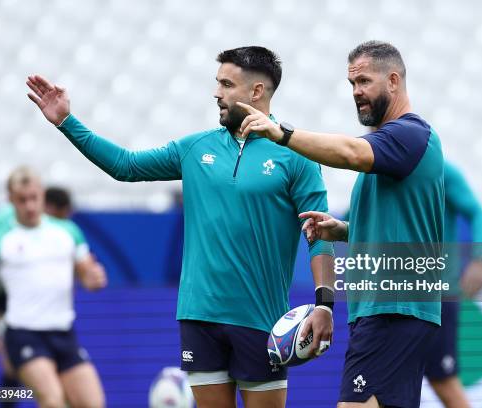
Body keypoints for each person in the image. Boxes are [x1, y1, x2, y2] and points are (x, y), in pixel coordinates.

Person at [26, 46, 335, 408]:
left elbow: (320, 235)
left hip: (261, 320)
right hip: (198, 316)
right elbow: (126, 166)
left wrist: (325, 304)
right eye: (217, 83)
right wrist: (66, 121)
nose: (216, 92)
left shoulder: (297, 157)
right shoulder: (195, 148)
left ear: (256, 92)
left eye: (226, 84)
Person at [237, 41, 445, 408]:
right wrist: (346, 230)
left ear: (393, 80)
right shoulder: (398, 146)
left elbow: (349, 153)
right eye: (352, 84)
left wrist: (281, 134)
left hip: (393, 308)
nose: (356, 92)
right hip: (389, 308)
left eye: (364, 81)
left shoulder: (409, 134)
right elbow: (404, 228)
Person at [0, 167, 107, 408]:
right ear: (10, 200)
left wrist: (94, 279)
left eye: (34, 198)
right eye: (22, 200)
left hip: (63, 333)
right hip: (22, 331)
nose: (29, 206)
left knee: (93, 402)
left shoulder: (67, 232)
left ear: (42, 196)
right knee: (52, 399)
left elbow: (87, 274)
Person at [424, 161, 482, 408]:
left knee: (442, 380)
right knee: (379, 383)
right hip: (391, 297)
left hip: (436, 298)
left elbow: (479, 215)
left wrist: (480, 259)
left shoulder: (440, 170)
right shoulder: (374, 171)